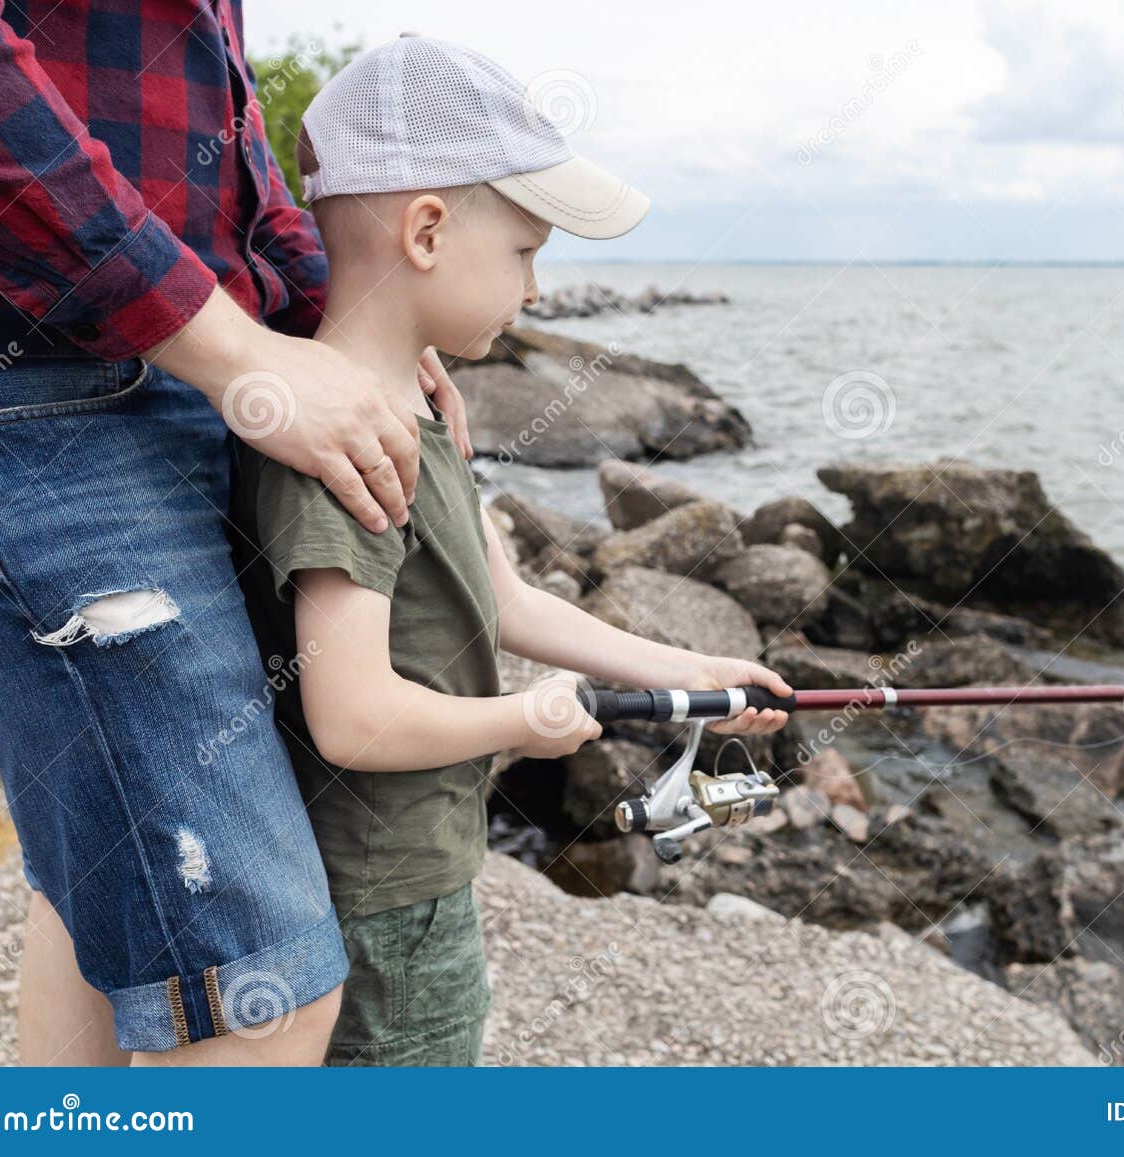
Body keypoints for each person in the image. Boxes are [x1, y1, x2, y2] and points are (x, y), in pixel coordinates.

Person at [0, 4, 473, 1063]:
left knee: (98, 901)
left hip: (181, 370)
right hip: (24, 390)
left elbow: (232, 160)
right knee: (259, 988)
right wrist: (237, 354)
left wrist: (335, 328)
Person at [229, 36, 791, 1066]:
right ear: (428, 230)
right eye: (527, 252)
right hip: (377, 889)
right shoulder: (338, 452)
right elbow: (350, 717)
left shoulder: (418, 409)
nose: (536, 290)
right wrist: (520, 722)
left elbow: (509, 597)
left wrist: (691, 671)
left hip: (426, 866)